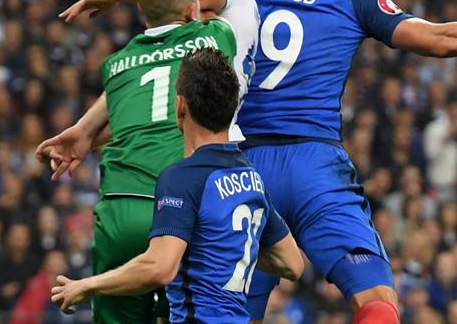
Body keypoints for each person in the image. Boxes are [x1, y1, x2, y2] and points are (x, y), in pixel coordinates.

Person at [49, 0, 457, 324]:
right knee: (377, 300)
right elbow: (440, 39)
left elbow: (165, 48)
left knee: (222, 311)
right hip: (317, 167)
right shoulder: (351, 0)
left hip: (241, 171)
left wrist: (92, 123)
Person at [43, 0, 238, 324]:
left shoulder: (115, 66)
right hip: (179, 207)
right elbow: (217, 2)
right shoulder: (214, 38)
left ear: (142, 11)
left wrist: (85, 131)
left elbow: (137, 111)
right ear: (191, 9)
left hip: (120, 209)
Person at [51, 48, 303, 323]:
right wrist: (218, 251)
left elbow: (159, 268)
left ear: (181, 105)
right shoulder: (251, 177)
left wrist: (88, 285)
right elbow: (292, 263)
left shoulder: (182, 177)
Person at [60, 0, 261, 141]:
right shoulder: (221, 27)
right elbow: (146, 117)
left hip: (203, 144)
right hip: (206, 141)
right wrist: (84, 136)